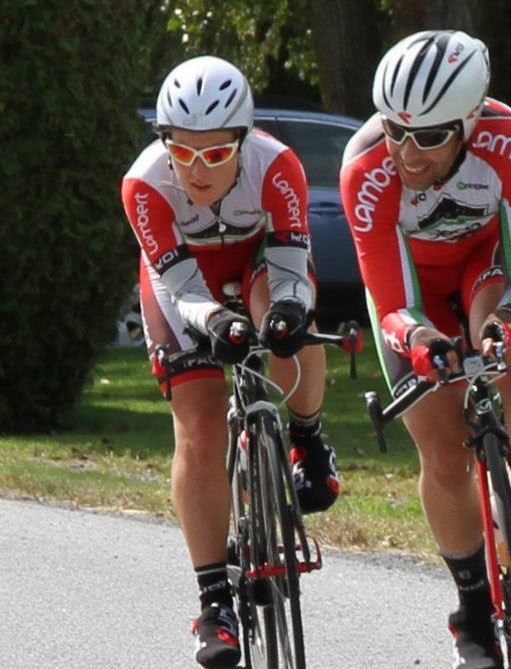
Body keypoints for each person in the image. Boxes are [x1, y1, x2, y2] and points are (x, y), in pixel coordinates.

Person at [340, 30, 511, 669]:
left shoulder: (510, 142)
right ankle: (471, 607)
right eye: (395, 131)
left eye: (429, 137)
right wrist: (419, 342)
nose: (406, 152)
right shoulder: (365, 170)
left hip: (483, 267)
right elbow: (391, 299)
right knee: (442, 454)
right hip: (412, 291)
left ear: (468, 123)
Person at [121, 55, 340, 669]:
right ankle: (214, 602)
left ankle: (308, 439)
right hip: (183, 284)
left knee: (291, 322)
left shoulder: (278, 165)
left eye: (216, 153)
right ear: (163, 142)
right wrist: (216, 322)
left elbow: (291, 268)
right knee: (199, 425)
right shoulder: (144, 184)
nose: (197, 169)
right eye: (181, 151)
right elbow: (180, 288)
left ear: (243, 141)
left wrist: (286, 314)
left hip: (257, 264)